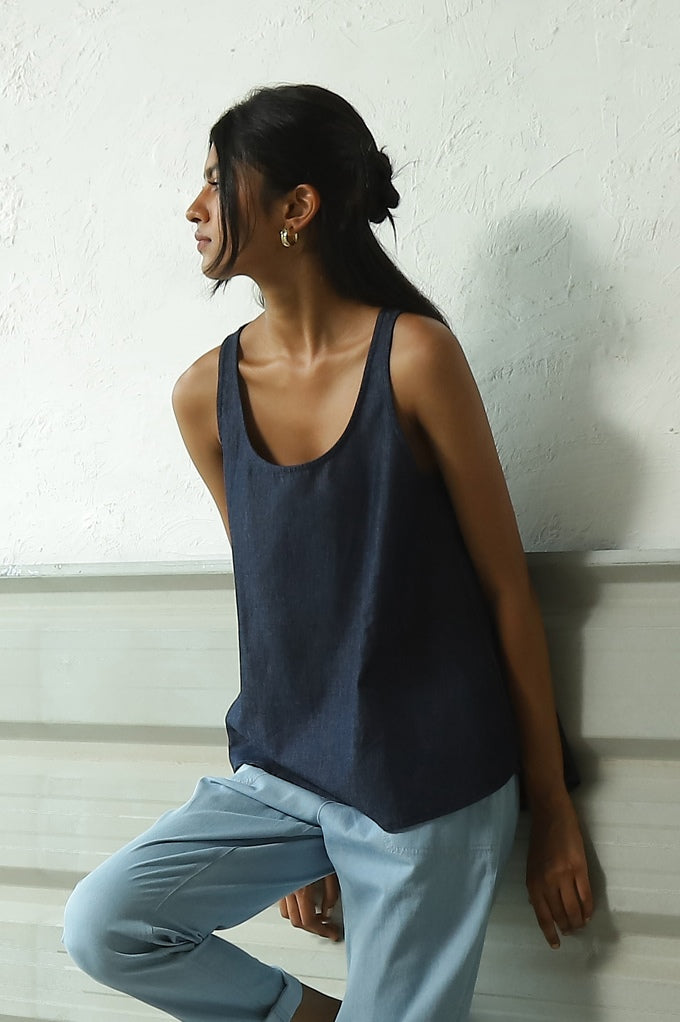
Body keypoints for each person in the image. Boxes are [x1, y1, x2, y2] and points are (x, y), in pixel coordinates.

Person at [62, 83, 593, 1022]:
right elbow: (276, 614)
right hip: (289, 773)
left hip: (429, 782)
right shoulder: (204, 395)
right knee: (105, 925)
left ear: (297, 207)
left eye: (217, 182)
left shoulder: (416, 359)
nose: (194, 208)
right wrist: (291, 800)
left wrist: (549, 807)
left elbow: (507, 591)